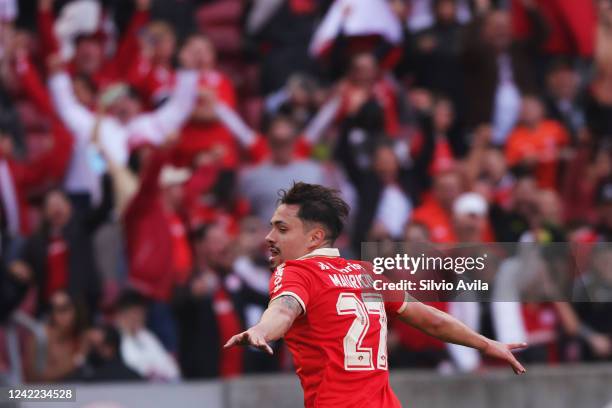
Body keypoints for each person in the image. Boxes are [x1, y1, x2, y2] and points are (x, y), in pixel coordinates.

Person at [225, 182, 527, 408]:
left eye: (281, 229)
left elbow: (284, 309)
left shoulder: (295, 273)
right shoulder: (365, 273)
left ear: (314, 238)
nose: (269, 237)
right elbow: (430, 319)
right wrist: (486, 343)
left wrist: (261, 330)